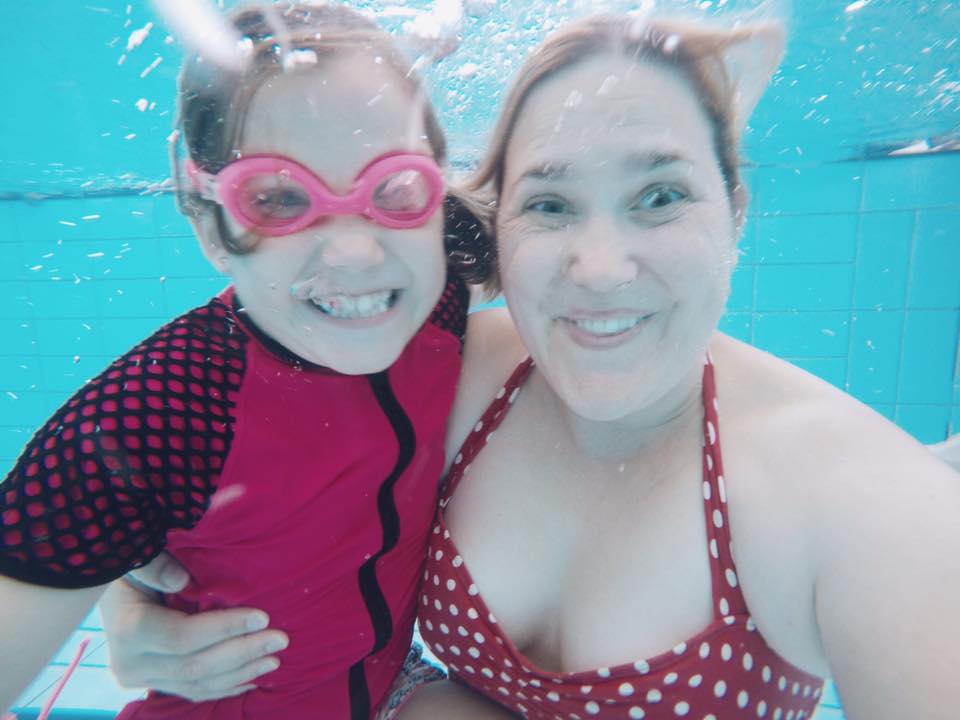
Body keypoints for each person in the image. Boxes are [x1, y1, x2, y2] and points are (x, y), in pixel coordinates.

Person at [102, 10, 960, 720]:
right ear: (499, 227)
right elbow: (239, 483)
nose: (600, 270)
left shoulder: (844, 497)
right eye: (549, 204)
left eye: (659, 195)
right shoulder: (451, 376)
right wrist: (148, 596)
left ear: (734, 212)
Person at [0, 3, 492, 719]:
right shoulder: (169, 407)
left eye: (394, 188)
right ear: (207, 220)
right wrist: (115, 582)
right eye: (279, 198)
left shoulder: (441, 289)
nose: (357, 252)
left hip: (394, 689)